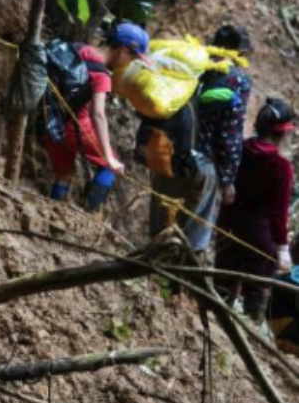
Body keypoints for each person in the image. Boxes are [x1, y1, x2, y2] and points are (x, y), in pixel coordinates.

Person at [113, 22, 220, 255]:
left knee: (162, 217)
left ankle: (160, 261)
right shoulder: (182, 86)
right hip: (185, 163)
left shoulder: (168, 88)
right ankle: (173, 270)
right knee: (185, 225)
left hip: (164, 158)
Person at [217, 98, 295, 326]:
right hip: (259, 238)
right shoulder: (281, 167)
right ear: (282, 133)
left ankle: (214, 323)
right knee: (257, 291)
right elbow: (279, 214)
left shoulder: (239, 148)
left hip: (227, 225)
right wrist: (282, 248)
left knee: (222, 281)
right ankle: (251, 332)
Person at [36, 32, 125, 211]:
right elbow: (98, 114)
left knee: (65, 174)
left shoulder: (79, 48)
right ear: (122, 51)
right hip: (73, 126)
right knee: (110, 164)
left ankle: (51, 213)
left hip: (48, 120)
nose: (130, 64)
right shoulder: (102, 75)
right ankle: (91, 217)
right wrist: (108, 156)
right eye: (132, 58)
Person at [196, 25, 253, 208]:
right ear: (240, 53)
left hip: (170, 154)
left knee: (160, 227)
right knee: (193, 234)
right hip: (202, 166)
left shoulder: (194, 65)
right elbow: (230, 134)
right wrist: (228, 179)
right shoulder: (236, 80)